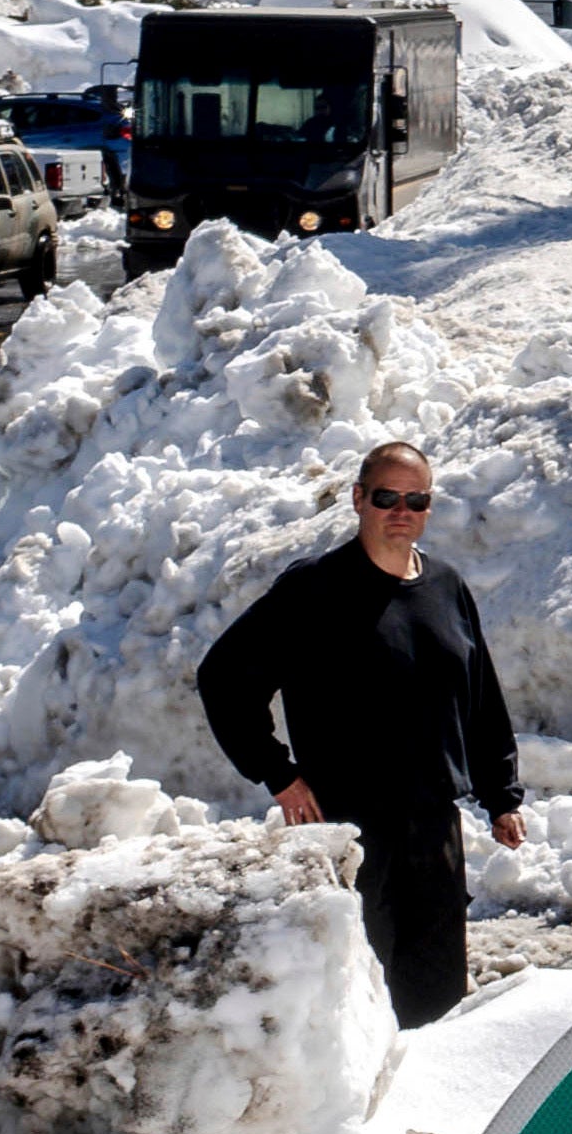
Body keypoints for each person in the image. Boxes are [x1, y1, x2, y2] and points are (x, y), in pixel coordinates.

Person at [196, 439, 521, 1029]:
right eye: (386, 497)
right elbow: (223, 679)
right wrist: (279, 773)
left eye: (416, 499)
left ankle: (429, 1111)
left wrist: (502, 795)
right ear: (357, 500)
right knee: (357, 995)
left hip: (434, 829)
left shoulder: (446, 586)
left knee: (435, 993)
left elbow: (481, 697)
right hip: (351, 827)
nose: (402, 510)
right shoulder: (314, 589)